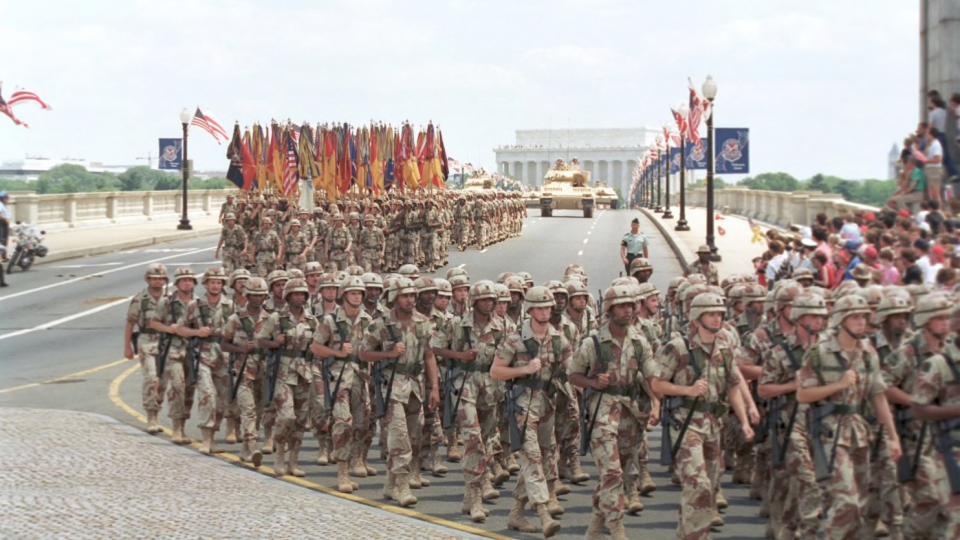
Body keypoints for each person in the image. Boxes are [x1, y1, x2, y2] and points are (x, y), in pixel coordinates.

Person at [797, 295, 902, 539]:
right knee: (846, 500)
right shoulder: (819, 352)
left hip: (859, 432)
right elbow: (803, 394)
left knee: (861, 506)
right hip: (828, 432)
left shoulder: (868, 353)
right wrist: (838, 385)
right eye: (855, 317)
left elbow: (878, 396)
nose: (861, 322)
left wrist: (893, 436)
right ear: (841, 320)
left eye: (864, 317)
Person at [569, 284, 659, 540]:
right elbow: (573, 374)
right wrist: (593, 383)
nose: (627, 310)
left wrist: (658, 400)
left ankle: (594, 529)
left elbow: (652, 375)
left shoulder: (640, 343)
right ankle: (617, 529)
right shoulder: (593, 343)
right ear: (610, 309)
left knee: (615, 475)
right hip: (603, 414)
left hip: (632, 416)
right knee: (611, 473)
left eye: (631, 305)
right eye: (621, 306)